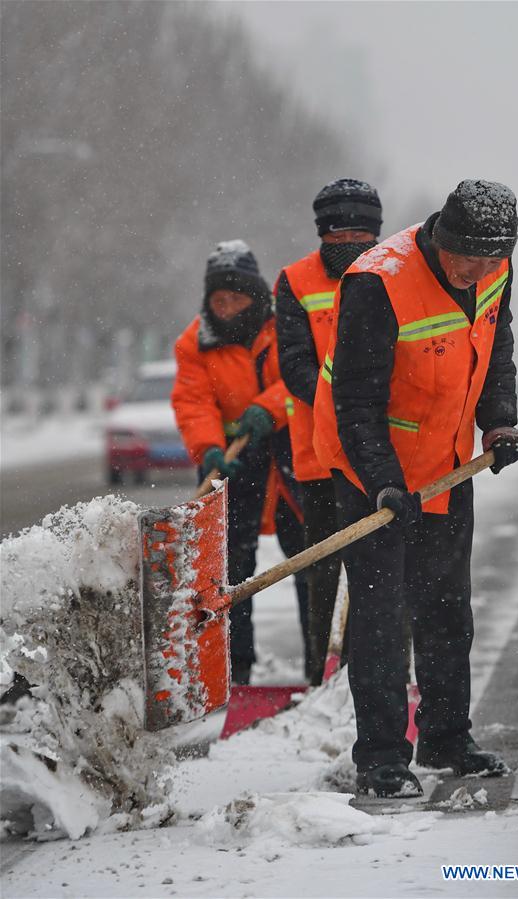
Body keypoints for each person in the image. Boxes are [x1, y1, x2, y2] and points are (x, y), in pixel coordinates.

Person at [313, 180, 518, 797]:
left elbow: (495, 350)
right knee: (381, 619)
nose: (480, 273)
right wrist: (383, 482)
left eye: (493, 261)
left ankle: (445, 736)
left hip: (447, 465)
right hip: (372, 471)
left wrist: (499, 420)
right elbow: (354, 402)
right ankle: (381, 756)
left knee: (446, 609)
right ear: (440, 240)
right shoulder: (377, 283)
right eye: (471, 261)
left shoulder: (494, 268)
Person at [171, 240, 308, 685]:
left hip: (290, 451)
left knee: (305, 556)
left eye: (237, 297)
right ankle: (235, 668)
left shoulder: (285, 326)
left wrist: (268, 408)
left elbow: (303, 377)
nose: (227, 307)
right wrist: (209, 448)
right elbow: (193, 401)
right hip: (230, 461)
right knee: (227, 568)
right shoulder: (196, 342)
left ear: (256, 296)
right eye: (218, 299)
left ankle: (318, 666)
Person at [275, 178, 384, 684]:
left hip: (381, 456)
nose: (349, 246)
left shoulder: (394, 275)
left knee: (382, 576)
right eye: (338, 238)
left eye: (360, 237)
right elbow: (294, 364)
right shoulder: (294, 281)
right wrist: (348, 398)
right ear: (322, 235)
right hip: (319, 456)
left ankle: (380, 676)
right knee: (323, 571)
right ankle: (320, 675)